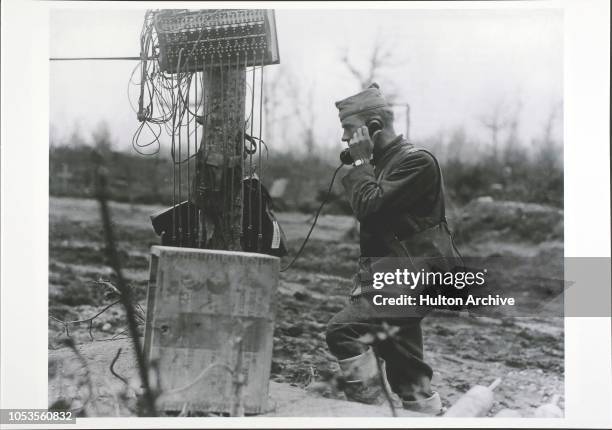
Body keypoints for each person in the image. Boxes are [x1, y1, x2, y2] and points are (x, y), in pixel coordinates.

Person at [325, 83, 463, 415]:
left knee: (344, 330)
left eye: (348, 130)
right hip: (393, 275)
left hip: (415, 277)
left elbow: (369, 207)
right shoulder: (382, 163)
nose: (345, 139)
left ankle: (369, 412)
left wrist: (360, 164)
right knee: (403, 361)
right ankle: (425, 410)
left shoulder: (416, 162)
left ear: (372, 126)